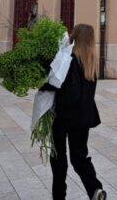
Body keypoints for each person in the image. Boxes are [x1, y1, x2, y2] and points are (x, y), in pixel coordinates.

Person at [42, 24, 106, 200]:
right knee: (79, 158)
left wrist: (45, 85)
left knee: (58, 159)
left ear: (75, 37)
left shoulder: (69, 60)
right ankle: (95, 189)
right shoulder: (91, 62)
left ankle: (59, 197)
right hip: (84, 117)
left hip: (64, 116)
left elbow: (70, 91)